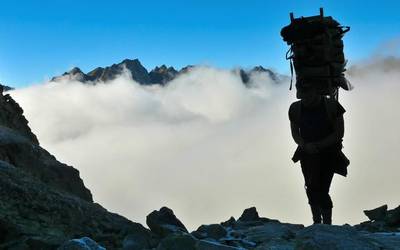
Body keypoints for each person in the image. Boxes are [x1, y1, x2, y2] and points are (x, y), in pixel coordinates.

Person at [288, 83, 346, 225]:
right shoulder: (295, 109)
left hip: (328, 154)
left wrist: (314, 146)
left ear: (316, 92)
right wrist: (305, 145)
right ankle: (319, 223)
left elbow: (339, 133)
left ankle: (323, 224)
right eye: (303, 97)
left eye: (307, 96)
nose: (306, 99)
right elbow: (295, 132)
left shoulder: (332, 107)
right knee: (311, 186)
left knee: (321, 188)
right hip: (308, 154)